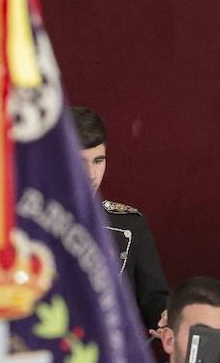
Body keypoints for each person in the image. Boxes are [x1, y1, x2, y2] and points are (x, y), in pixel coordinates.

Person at [71, 106, 169, 330]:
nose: (91, 174)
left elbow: (154, 300)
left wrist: (166, 314)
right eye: (80, 162)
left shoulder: (129, 224)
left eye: (98, 161)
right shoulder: (29, 223)